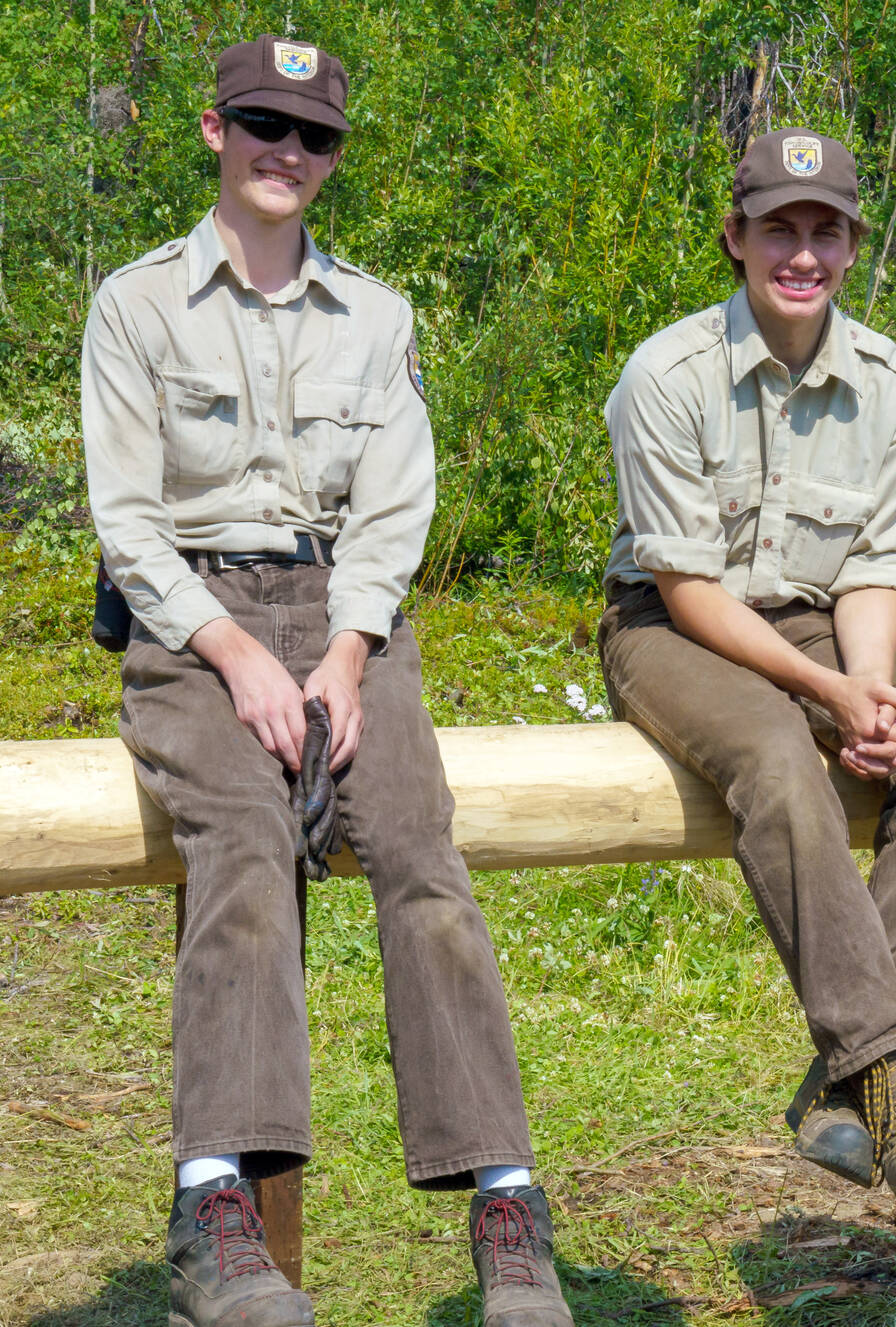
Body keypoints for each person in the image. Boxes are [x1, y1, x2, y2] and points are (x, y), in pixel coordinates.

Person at [80, 36, 570, 1326]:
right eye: (261, 124)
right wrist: (235, 654)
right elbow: (127, 521)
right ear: (213, 132)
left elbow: (396, 507)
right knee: (241, 846)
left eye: (312, 136)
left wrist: (348, 652)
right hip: (194, 616)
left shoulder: (381, 315)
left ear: (333, 157)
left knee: (418, 853)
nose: (285, 153)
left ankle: (508, 1209)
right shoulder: (136, 306)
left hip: (345, 611)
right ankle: (215, 1212)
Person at [599, 127, 896, 1204]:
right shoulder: (667, 374)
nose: (802, 253)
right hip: (674, 628)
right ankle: (891, 1070)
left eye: (826, 231)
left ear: (854, 245)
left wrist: (866, 686)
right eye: (780, 228)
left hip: (827, 620)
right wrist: (822, 698)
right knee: (778, 756)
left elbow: (873, 563)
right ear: (736, 237)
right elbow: (685, 587)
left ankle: (840, 1088)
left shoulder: (890, 380)